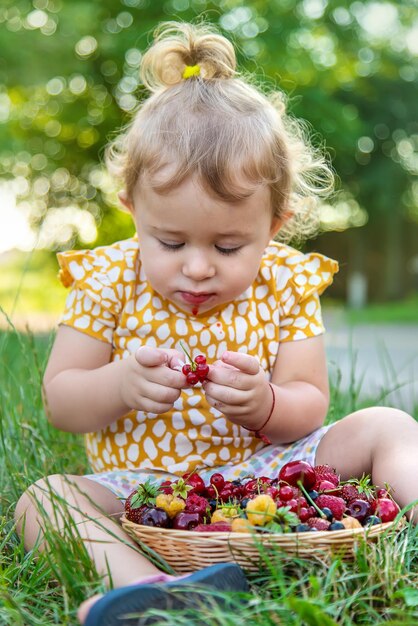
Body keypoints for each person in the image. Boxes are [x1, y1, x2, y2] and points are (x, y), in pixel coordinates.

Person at [15, 20, 418, 626]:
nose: (197, 268)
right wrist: (120, 385)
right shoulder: (107, 281)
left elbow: (310, 404)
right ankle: (153, 590)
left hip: (270, 473)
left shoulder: (284, 280)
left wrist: (265, 404)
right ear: (133, 210)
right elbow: (62, 403)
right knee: (45, 499)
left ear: (274, 226)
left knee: (388, 423)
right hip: (144, 490)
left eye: (229, 247)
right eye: (170, 241)